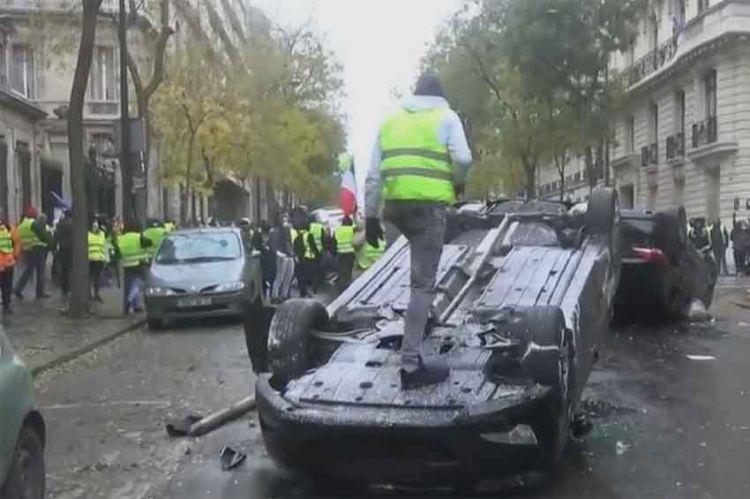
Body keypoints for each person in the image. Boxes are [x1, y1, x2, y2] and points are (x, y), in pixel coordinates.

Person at [365, 71, 472, 389]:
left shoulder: (390, 121)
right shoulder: (447, 117)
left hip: (395, 209)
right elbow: (464, 158)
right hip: (428, 210)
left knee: (395, 275)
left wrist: (370, 217)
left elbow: (372, 176)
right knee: (422, 286)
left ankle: (409, 318)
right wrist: (457, 180)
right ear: (440, 94)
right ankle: (410, 365)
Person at [14, 207, 53, 300]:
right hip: (37, 249)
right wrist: (51, 243)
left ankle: (17, 289)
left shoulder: (21, 225)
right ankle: (40, 293)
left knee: (28, 271)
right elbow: (43, 235)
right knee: (40, 271)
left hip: (27, 249)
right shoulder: (33, 223)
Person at [114, 220, 152, 314]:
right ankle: (130, 299)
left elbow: (117, 252)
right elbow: (148, 243)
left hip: (126, 264)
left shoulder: (121, 238)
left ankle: (135, 306)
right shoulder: (138, 237)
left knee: (128, 285)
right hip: (138, 264)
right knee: (138, 284)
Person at [269, 215, 295, 302]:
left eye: (286, 219)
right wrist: (278, 253)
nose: (286, 222)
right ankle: (275, 296)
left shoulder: (287, 230)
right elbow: (272, 245)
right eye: (284, 220)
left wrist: (292, 253)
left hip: (288, 256)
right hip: (281, 256)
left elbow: (289, 243)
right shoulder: (274, 231)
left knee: (288, 276)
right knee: (280, 276)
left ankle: (284, 295)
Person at [0, 210, 21, 313]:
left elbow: (17, 242)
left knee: (7, 285)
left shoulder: (10, 228)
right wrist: (15, 255)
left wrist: (15, 255)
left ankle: (6, 304)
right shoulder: (10, 228)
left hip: (8, 263)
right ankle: (6, 304)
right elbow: (16, 243)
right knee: (7, 285)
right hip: (8, 262)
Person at [293, 221, 319, 298]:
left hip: (300, 259)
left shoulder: (297, 237)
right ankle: (313, 290)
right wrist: (318, 255)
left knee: (301, 276)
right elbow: (313, 246)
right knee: (313, 274)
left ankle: (302, 292)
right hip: (309, 257)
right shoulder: (309, 235)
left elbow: (295, 248)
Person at [54, 209, 74, 303]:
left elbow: (56, 236)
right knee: (72, 269)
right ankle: (71, 288)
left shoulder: (60, 224)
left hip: (63, 247)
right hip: (72, 248)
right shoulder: (74, 223)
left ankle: (64, 289)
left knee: (64, 269)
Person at [333, 216, 356, 293]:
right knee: (349, 271)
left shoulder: (337, 231)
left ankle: (342, 289)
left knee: (342, 271)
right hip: (350, 253)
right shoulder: (353, 230)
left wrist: (334, 254)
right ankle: (349, 288)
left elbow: (333, 243)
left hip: (340, 253)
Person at [88, 220, 107, 302]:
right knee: (91, 278)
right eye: (93, 226)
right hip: (91, 259)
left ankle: (96, 294)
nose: (95, 228)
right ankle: (91, 294)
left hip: (98, 259)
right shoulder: (88, 234)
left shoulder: (102, 234)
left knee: (97, 278)